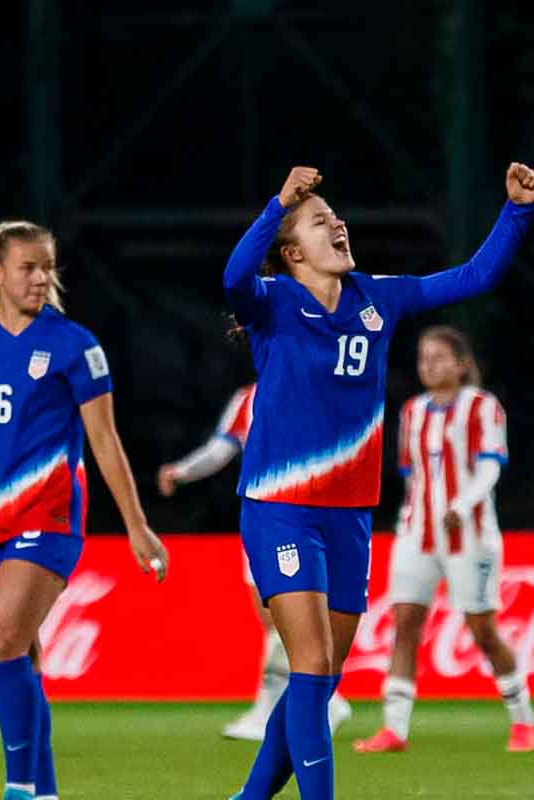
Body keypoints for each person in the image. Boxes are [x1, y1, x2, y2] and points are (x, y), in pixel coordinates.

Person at [222, 162, 534, 800]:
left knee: (322, 677)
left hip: (350, 514)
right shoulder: (271, 302)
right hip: (281, 509)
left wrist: (519, 210)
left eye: (335, 218)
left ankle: (250, 799)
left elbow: (476, 276)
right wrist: (276, 201)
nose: (336, 225)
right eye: (318, 220)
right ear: (290, 251)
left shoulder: (377, 296)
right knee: (310, 665)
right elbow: (232, 277)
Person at [0, 220, 169, 800]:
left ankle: (19, 788)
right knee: (18, 656)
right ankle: (45, 792)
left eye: (47, 266)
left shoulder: (77, 346)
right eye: (28, 267)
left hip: (47, 519)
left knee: (2, 642)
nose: (41, 278)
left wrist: (137, 525)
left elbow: (105, 440)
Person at [354, 326, 534, 754]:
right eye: (423, 358)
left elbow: (491, 467)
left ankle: (523, 721)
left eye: (438, 357)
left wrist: (462, 503)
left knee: (482, 630)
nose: (429, 366)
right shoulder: (413, 412)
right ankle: (394, 729)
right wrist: (408, 520)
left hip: (470, 536)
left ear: (461, 363)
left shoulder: (483, 408)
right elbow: (412, 476)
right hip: (416, 535)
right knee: (405, 626)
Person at [157, 384, 352, 740]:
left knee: (284, 619)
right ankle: (321, 700)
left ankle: (276, 709)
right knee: (272, 622)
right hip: (261, 518)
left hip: (298, 519)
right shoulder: (247, 398)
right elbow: (222, 449)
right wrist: (183, 471)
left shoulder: (316, 389)